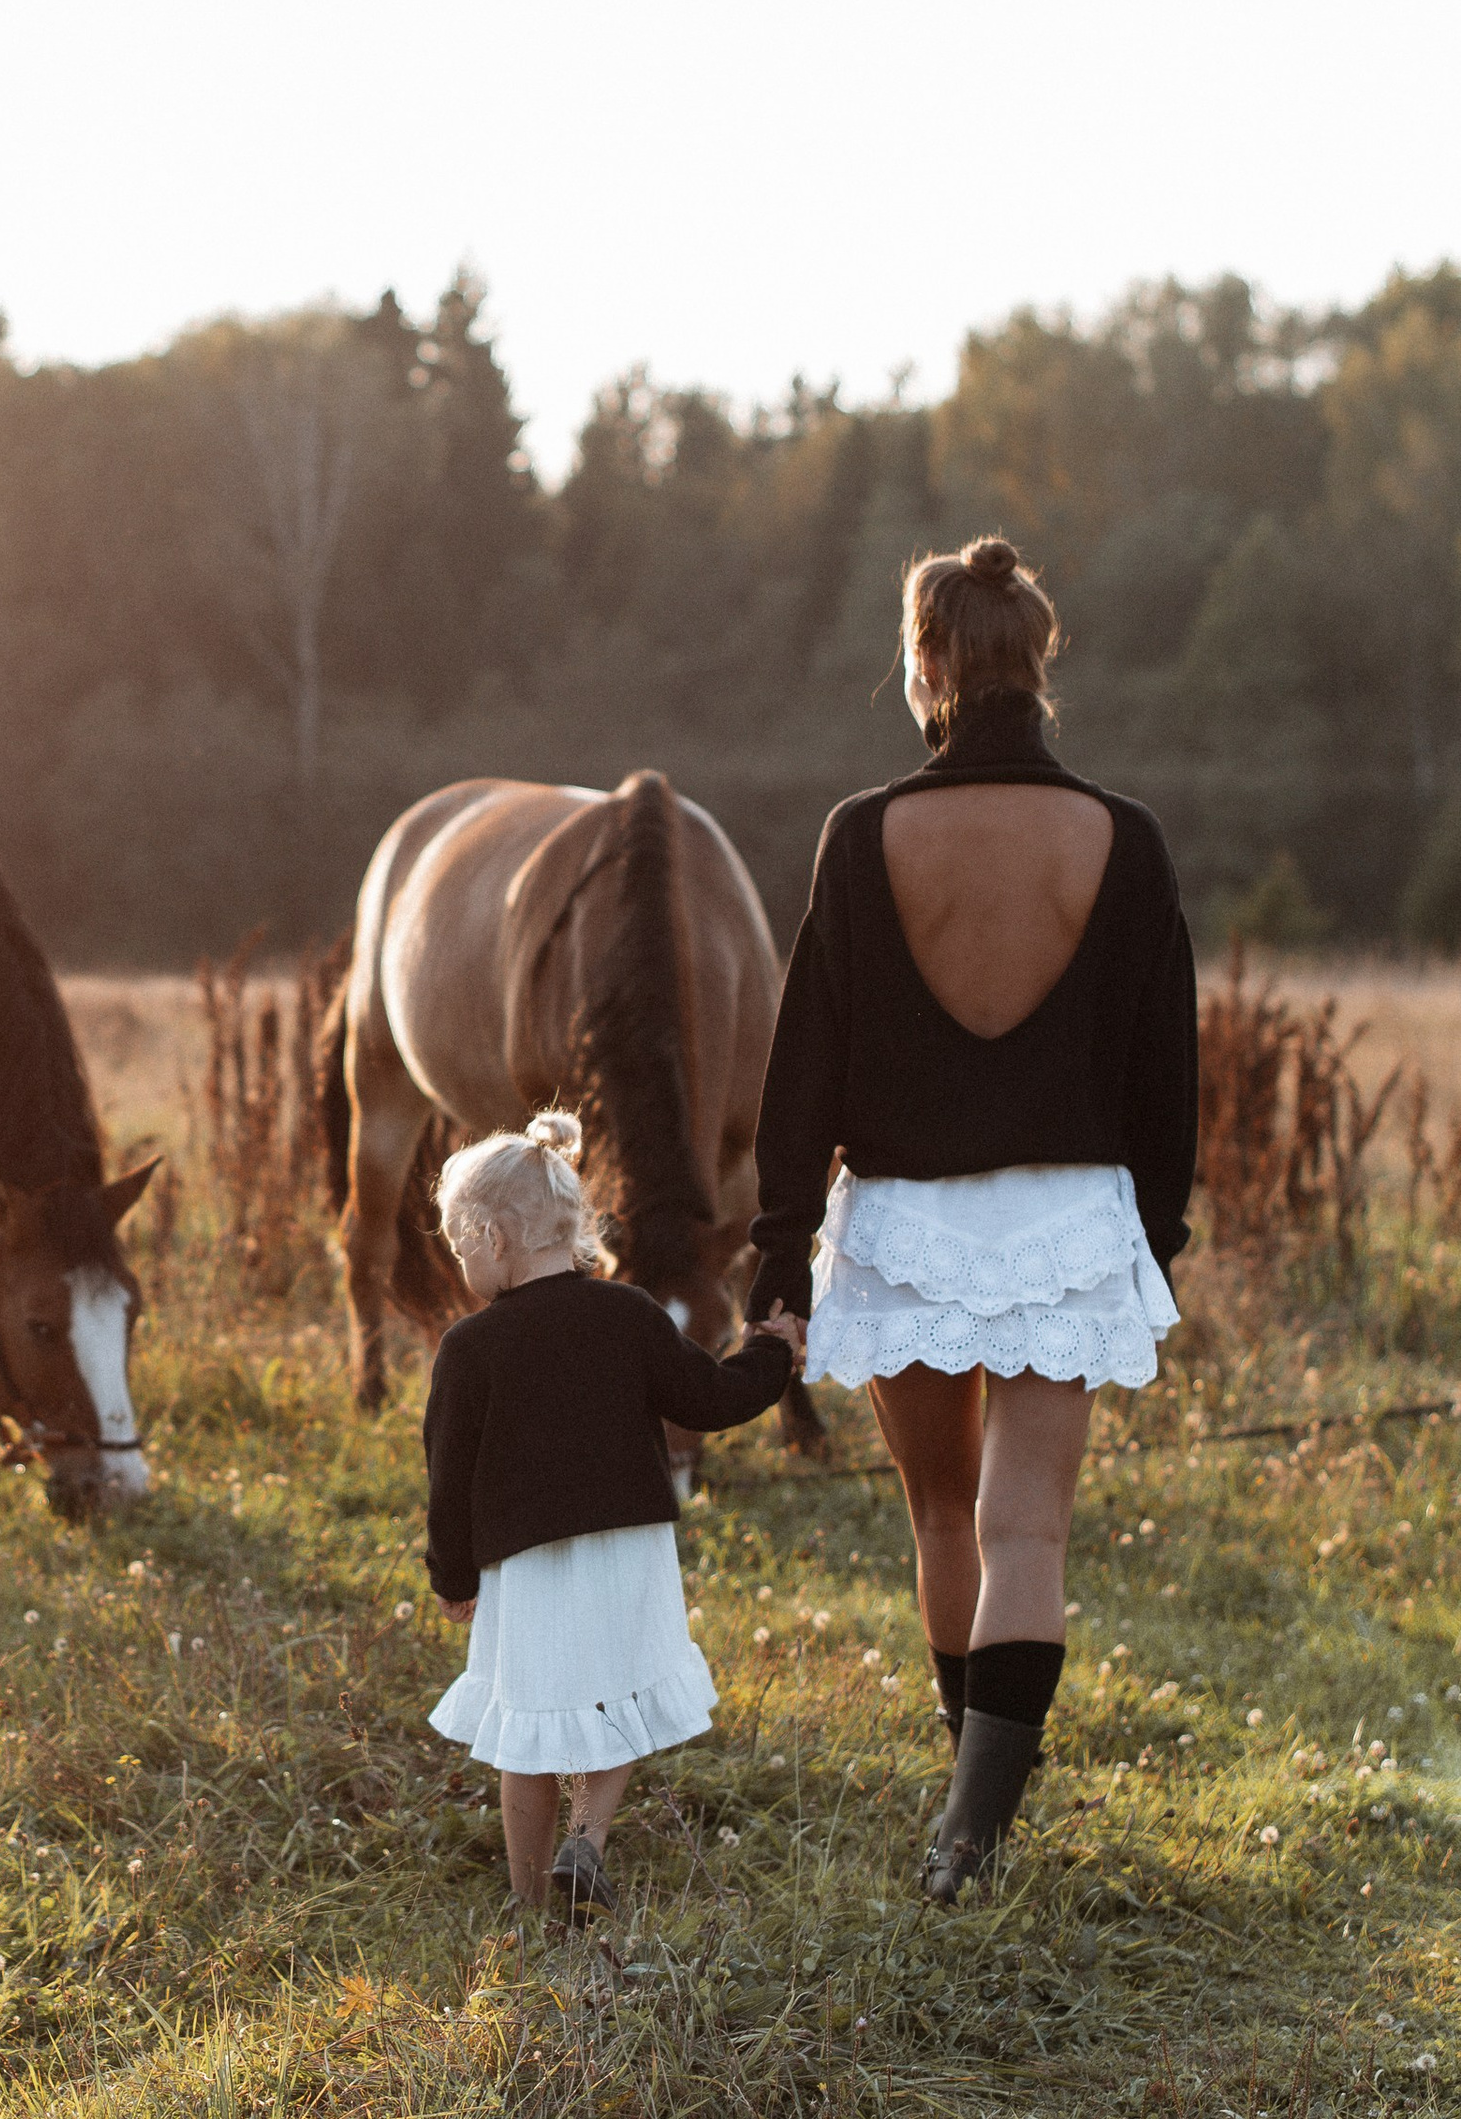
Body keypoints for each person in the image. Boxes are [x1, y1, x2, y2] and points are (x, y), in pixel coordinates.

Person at [749, 535, 1197, 1902]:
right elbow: (1164, 1059)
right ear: (1038, 662)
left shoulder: (860, 831)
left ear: (925, 662)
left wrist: (779, 1241)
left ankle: (965, 1789)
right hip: (1068, 1214)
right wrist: (1152, 1234)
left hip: (903, 1219)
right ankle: (975, 1829)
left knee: (945, 1515)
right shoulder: (1120, 837)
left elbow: (805, 1057)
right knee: (1030, 1535)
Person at [423, 1112, 801, 1915]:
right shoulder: (630, 1313)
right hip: (629, 1551)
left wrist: (452, 1575)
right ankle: (587, 1841)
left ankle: (533, 1905)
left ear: (494, 1236)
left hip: (525, 1564)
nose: (462, 1266)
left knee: (525, 1733)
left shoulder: (469, 1347)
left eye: (460, 1248)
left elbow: (447, 1474)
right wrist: (772, 1350)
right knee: (619, 1699)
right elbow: (710, 1397)